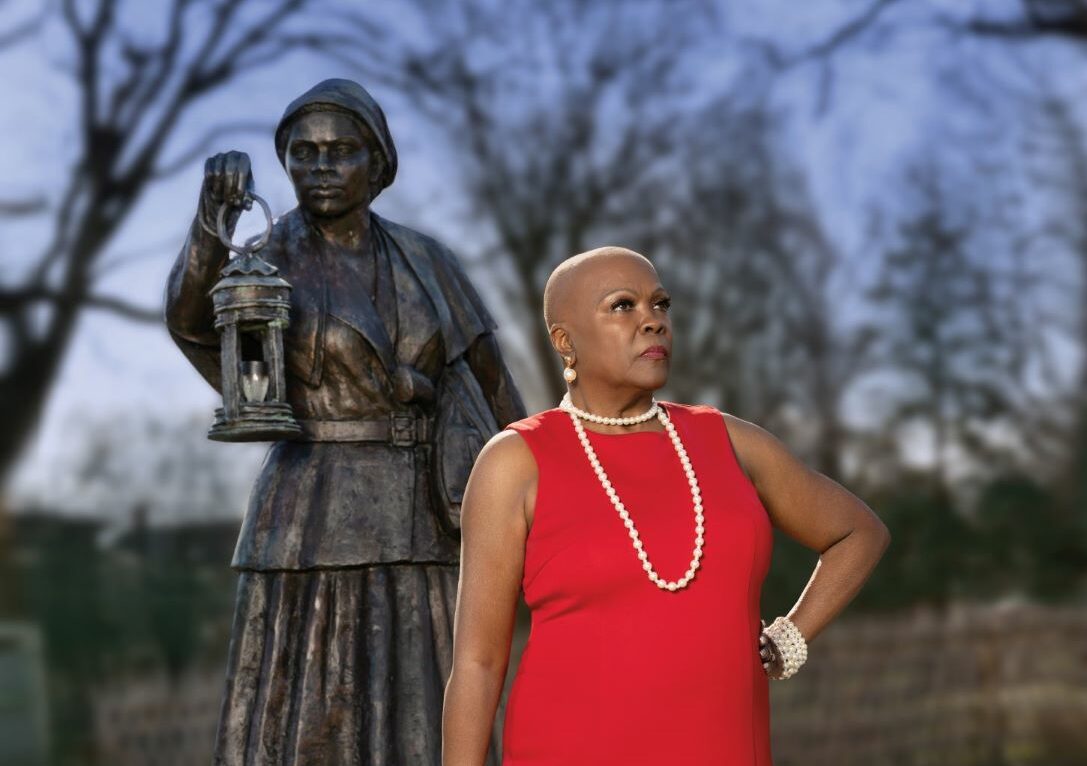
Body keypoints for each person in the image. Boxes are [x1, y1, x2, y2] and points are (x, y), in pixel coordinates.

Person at [165, 79, 524, 765]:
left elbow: (493, 381)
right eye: (302, 154)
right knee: (313, 712)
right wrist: (210, 222)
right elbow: (189, 317)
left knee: (429, 701)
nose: (320, 167)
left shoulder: (426, 260)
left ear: (376, 163)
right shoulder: (269, 258)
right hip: (310, 511)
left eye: (339, 151)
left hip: (426, 513)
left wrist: (549, 499)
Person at [441, 246, 891, 765]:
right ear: (565, 342)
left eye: (660, 304)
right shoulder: (516, 462)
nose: (652, 321)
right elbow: (477, 661)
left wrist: (791, 635)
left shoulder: (730, 442)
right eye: (622, 306)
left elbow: (857, 532)